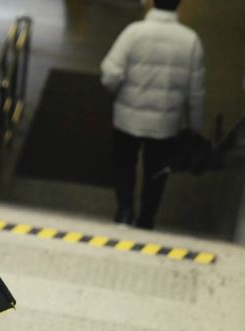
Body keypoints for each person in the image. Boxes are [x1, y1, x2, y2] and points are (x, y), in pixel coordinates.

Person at [100, 0, 205, 229]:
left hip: (127, 117)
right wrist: (195, 124)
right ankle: (147, 219)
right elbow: (195, 91)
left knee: (124, 164)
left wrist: (117, 91)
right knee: (156, 172)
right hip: (165, 124)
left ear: (151, 2)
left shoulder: (133, 32)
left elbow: (110, 73)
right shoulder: (191, 41)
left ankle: (125, 212)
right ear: (179, 5)